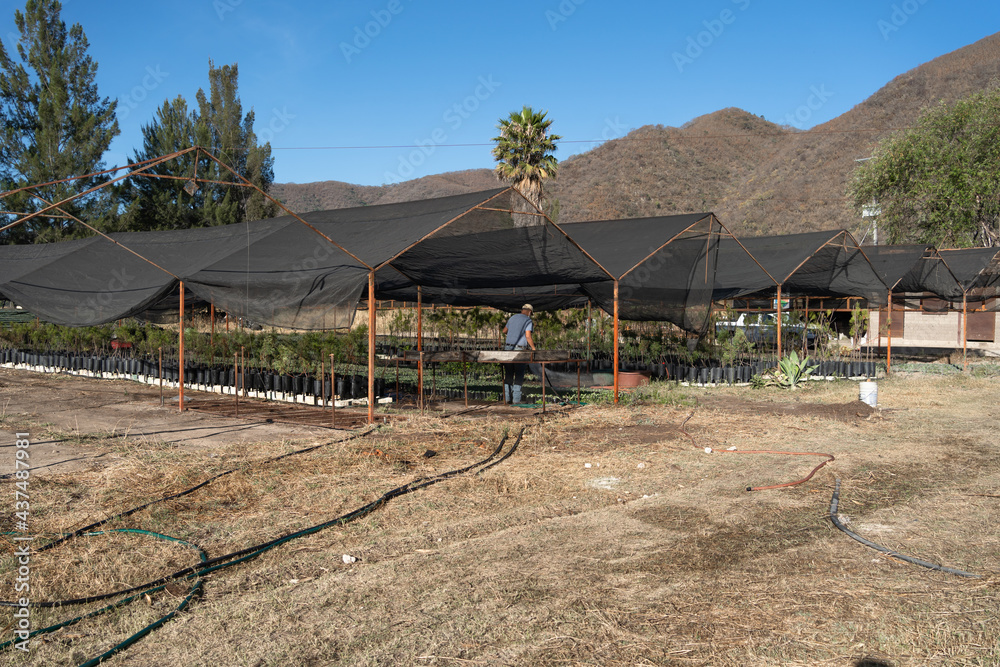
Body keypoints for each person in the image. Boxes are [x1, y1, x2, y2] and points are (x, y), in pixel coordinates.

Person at [502, 304, 536, 404]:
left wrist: (513, 333)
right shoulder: (528, 321)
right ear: (529, 312)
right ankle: (516, 400)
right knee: (519, 374)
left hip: (508, 348)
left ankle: (507, 399)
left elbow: (504, 331)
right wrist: (533, 348)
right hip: (519, 350)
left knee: (508, 374)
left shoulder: (512, 318)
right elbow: (528, 336)